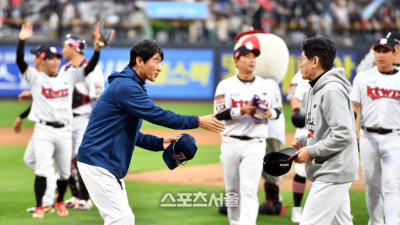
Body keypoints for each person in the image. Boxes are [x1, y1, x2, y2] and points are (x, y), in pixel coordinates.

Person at [76, 39, 225, 225]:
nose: (160, 67)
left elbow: (131, 134)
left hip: (105, 162)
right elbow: (158, 115)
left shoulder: (131, 86)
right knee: (120, 218)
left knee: (124, 219)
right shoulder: (126, 87)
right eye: (156, 60)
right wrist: (197, 121)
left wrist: (159, 143)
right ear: (139, 61)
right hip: (98, 161)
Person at [16, 23, 104, 219]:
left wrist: (98, 49)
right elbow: (46, 92)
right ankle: (51, 200)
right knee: (46, 165)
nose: (59, 56)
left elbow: (96, 92)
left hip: (79, 122)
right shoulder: (62, 71)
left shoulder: (75, 73)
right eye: (52, 57)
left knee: (74, 163)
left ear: (73, 48)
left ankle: (78, 198)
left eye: (63, 50)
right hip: (49, 127)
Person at [290, 37, 359, 225]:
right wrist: (304, 142)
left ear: (315, 61)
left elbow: (344, 134)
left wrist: (310, 151)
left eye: (302, 59)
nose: (300, 64)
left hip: (334, 170)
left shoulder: (331, 90)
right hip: (331, 167)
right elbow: (323, 129)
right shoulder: (317, 87)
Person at [214, 40, 282, 225]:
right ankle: (235, 222)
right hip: (230, 142)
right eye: (247, 57)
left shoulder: (266, 85)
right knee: (232, 191)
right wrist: (241, 111)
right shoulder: (225, 85)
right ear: (236, 61)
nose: (252, 61)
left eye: (254, 58)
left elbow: (278, 110)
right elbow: (219, 113)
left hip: (255, 143)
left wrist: (270, 113)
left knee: (249, 190)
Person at [350, 38, 400, 225]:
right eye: (377, 51)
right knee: (372, 188)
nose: (380, 55)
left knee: (392, 186)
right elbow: (354, 105)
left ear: (393, 53)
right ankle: (376, 222)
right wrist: (353, 124)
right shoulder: (363, 77)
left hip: (395, 138)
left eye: (385, 51)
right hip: (367, 137)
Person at [61, 34, 104, 211]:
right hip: (67, 120)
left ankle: (86, 198)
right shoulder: (65, 69)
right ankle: (76, 195)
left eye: (65, 46)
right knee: (67, 159)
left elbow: (98, 98)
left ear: (74, 48)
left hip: (85, 119)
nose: (62, 50)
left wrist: (96, 125)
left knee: (81, 158)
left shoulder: (91, 68)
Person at [258, 77, 289, 216]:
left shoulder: (269, 83)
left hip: (272, 130)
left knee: (272, 166)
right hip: (258, 131)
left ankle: (275, 201)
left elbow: (277, 109)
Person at [286, 70, 310, 223]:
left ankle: (336, 210)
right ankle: (296, 209)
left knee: (329, 171)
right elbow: (294, 96)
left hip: (328, 129)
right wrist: (296, 112)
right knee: (301, 170)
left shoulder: (333, 74)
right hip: (306, 127)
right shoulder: (302, 74)